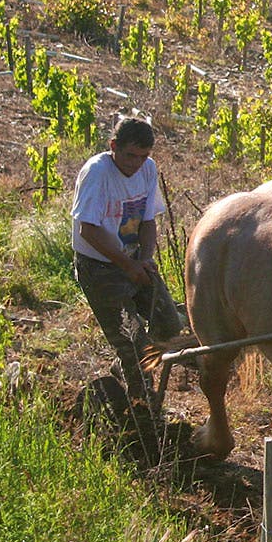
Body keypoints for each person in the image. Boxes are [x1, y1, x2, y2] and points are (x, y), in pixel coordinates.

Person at [71, 113, 184, 405]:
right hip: (100, 267)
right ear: (113, 146)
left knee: (170, 325)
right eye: (130, 155)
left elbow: (148, 221)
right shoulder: (97, 173)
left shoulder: (148, 169)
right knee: (135, 347)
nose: (136, 163)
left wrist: (144, 259)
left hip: (133, 261)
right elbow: (89, 230)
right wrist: (127, 265)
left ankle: (124, 368)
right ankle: (141, 410)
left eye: (143, 156)